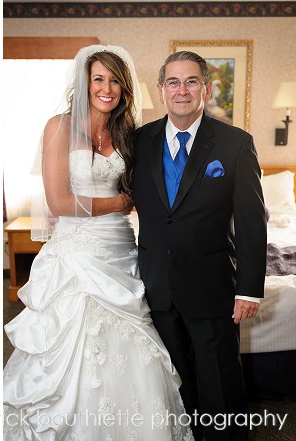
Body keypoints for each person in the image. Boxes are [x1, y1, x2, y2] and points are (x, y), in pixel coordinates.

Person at [2, 45, 194, 440]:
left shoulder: (129, 133)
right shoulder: (58, 126)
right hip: (76, 253)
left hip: (119, 250)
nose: (107, 88)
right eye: (99, 79)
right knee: (70, 344)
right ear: (84, 83)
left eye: (115, 81)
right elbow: (59, 202)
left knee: (133, 344)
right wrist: (123, 202)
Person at [131, 51, 266, 441]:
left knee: (220, 383)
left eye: (191, 81)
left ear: (206, 88)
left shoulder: (236, 144)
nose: (182, 90)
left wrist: (249, 289)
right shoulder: (140, 141)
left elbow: (252, 222)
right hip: (156, 285)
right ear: (161, 91)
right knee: (174, 383)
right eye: (173, 82)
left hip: (212, 287)